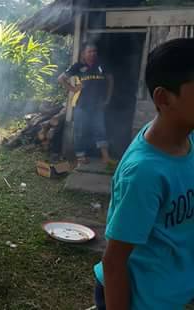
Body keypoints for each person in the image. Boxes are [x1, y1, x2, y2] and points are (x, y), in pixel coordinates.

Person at [93, 38, 194, 310]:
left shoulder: (188, 138)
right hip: (137, 301)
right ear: (163, 98)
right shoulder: (145, 173)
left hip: (169, 293)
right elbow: (113, 263)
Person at [58, 42, 114, 165]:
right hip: (81, 105)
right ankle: (80, 156)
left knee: (100, 129)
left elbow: (110, 80)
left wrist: (108, 99)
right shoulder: (78, 66)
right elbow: (61, 78)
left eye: (95, 51)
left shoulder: (101, 66)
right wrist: (73, 89)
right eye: (90, 51)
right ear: (83, 53)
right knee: (80, 131)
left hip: (98, 104)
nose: (93, 53)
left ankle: (105, 156)